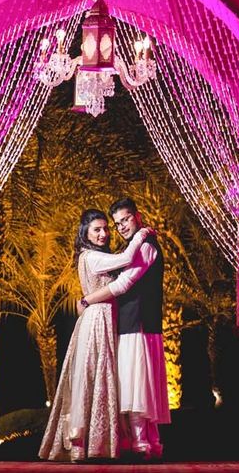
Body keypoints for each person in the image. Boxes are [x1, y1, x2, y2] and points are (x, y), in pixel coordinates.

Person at [39, 208, 154, 463]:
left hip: (106, 318)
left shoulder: (99, 256)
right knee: (90, 377)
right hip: (96, 321)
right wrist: (141, 234)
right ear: (85, 233)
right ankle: (80, 444)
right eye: (97, 229)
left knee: (105, 379)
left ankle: (101, 443)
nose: (103, 234)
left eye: (105, 229)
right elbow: (126, 258)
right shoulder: (90, 256)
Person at [75, 196, 169, 460]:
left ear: (137, 216)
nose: (121, 227)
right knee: (140, 385)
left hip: (137, 324)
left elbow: (123, 285)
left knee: (136, 386)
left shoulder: (145, 245)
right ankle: (149, 443)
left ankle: (142, 444)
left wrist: (87, 299)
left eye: (125, 219)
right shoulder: (136, 246)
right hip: (137, 323)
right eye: (117, 223)